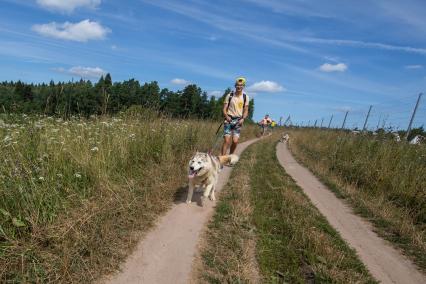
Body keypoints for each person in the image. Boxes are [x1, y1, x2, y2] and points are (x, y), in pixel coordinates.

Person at [221, 77, 249, 155]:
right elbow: (224, 108)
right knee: (226, 140)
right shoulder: (229, 95)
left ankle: (230, 156)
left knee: (235, 141)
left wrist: (243, 118)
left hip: (238, 120)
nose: (239, 87)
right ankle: (222, 159)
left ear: (243, 86)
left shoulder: (245, 97)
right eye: (237, 85)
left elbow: (246, 110)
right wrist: (226, 116)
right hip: (228, 119)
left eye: (241, 85)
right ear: (235, 86)